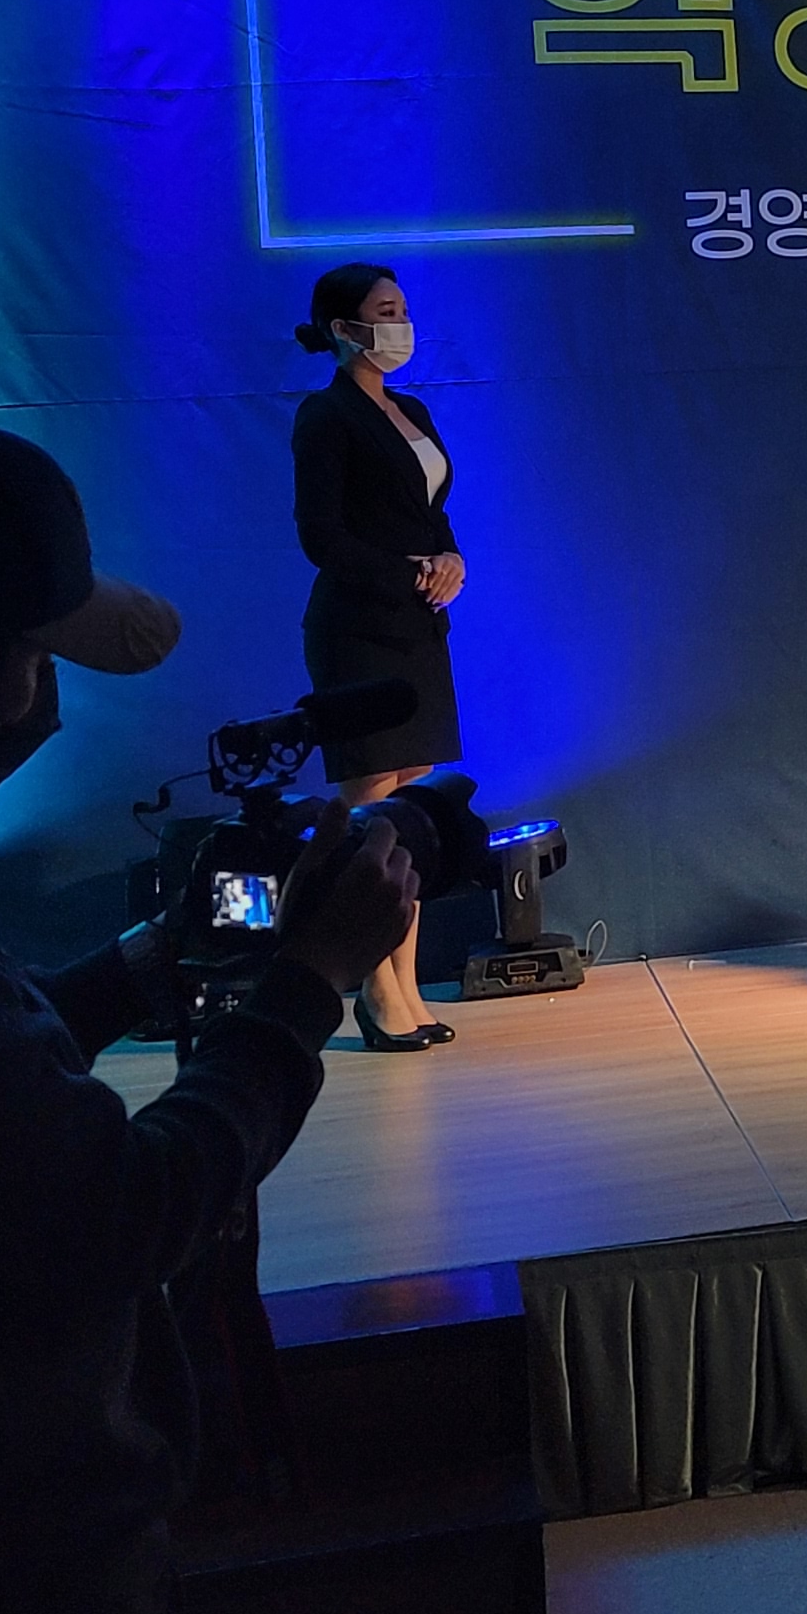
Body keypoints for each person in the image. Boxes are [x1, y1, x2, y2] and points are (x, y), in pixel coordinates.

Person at [0, 413, 416, 1614]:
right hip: (0, 1592)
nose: (42, 698)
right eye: (31, 655)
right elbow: (122, 1207)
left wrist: (140, 962)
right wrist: (307, 983)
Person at [292, 261, 466, 1048]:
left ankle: (406, 980)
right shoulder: (325, 415)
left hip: (419, 627)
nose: (401, 324)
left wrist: (450, 560)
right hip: (359, 626)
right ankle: (372, 984)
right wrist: (407, 572)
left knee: (409, 804)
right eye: (385, 311)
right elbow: (321, 536)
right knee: (370, 800)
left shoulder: (412, 409)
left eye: (402, 309)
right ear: (343, 328)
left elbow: (431, 513)